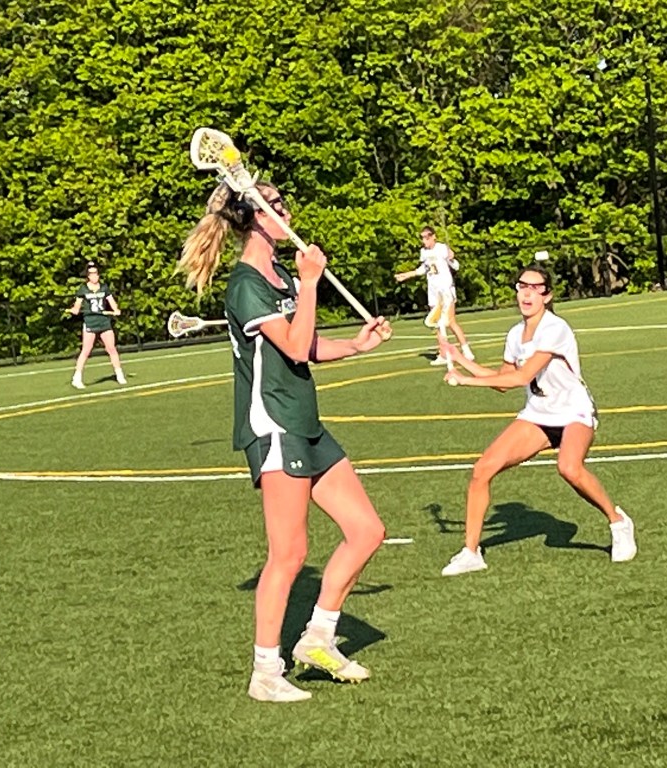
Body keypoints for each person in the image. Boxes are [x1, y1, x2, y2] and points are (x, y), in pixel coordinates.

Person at [178, 181, 391, 703]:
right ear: (253, 217)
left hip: (305, 421)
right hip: (274, 425)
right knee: (289, 554)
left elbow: (306, 343)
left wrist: (355, 345)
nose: (286, 214)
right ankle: (265, 672)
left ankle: (317, 637)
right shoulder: (247, 284)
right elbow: (294, 346)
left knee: (367, 530)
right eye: (276, 207)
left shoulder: (279, 276)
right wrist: (311, 282)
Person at [438, 265, 636, 575]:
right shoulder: (515, 334)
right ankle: (471, 552)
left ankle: (618, 521)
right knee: (482, 470)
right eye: (522, 287)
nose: (527, 294)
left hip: (573, 411)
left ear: (547, 295)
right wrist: (461, 359)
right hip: (538, 414)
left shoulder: (555, 329)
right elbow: (502, 381)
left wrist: (464, 380)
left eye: (535, 288)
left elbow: (521, 377)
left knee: (569, 468)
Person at [394, 226, 474, 364]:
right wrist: (406, 275)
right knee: (437, 324)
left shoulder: (442, 248)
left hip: (445, 289)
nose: (424, 241)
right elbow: (423, 269)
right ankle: (443, 354)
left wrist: (452, 258)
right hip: (433, 291)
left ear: (433, 236)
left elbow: (456, 266)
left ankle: (466, 350)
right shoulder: (423, 252)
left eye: (427, 237)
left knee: (450, 322)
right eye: (422, 238)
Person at [67, 262, 126, 388]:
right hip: (90, 321)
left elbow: (111, 301)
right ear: (88, 276)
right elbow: (77, 306)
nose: (94, 276)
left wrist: (116, 310)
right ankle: (77, 378)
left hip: (103, 320)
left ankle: (119, 374)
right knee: (86, 350)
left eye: (96, 273)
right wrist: (74, 310)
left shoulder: (104, 288)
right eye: (92, 274)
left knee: (111, 348)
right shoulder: (83, 289)